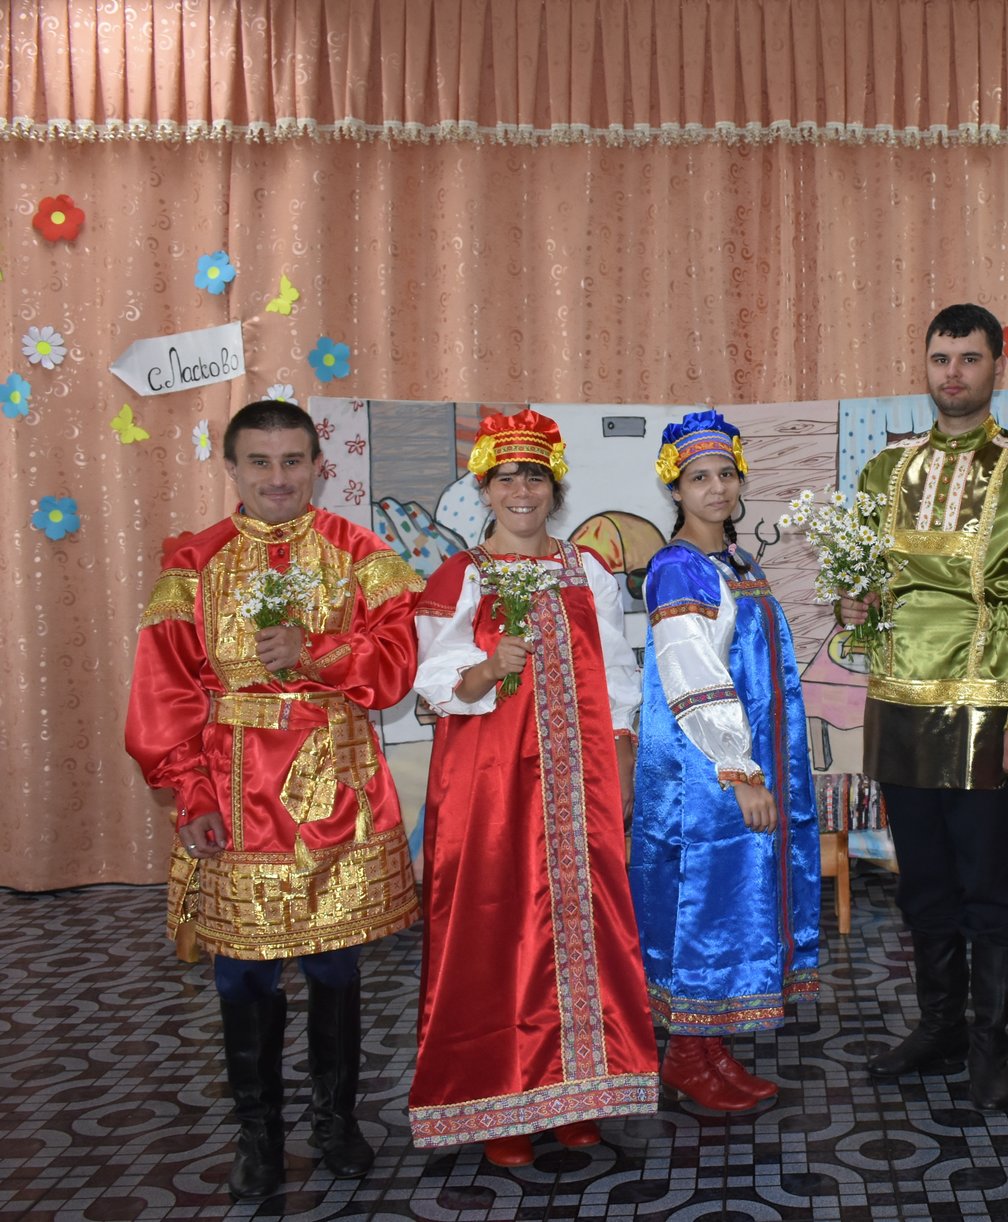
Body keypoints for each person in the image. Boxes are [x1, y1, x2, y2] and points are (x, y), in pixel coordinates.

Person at [126, 400, 425, 1200]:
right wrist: (190, 792)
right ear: (232, 468)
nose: (278, 477)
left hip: (337, 789)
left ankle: (335, 1120)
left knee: (335, 965)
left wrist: (316, 652)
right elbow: (163, 692)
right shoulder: (194, 563)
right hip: (234, 790)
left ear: (319, 467)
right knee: (242, 975)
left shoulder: (362, 555)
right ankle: (257, 1135)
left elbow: (396, 664)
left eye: (293, 460)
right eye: (259, 461)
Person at [841, 303, 1008, 1110]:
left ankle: (989, 1048)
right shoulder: (884, 470)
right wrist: (853, 606)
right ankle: (939, 1026)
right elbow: (863, 587)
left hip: (988, 712)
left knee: (990, 888)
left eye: (969, 359)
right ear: (926, 365)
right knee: (923, 884)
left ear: (996, 368)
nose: (953, 373)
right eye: (941, 358)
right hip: (899, 706)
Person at [408, 409, 659, 1164]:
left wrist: (622, 760)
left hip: (579, 784)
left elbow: (617, 675)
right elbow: (434, 683)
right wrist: (486, 668)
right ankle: (501, 1101)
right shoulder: (461, 576)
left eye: (536, 477)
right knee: (493, 928)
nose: (522, 490)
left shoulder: (588, 571)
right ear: (486, 489)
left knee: (585, 929)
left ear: (555, 487)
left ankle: (579, 1091)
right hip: (488, 790)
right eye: (507, 477)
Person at [632, 409, 820, 1113]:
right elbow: (694, 677)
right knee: (702, 906)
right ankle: (687, 1055)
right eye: (698, 478)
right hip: (704, 773)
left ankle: (709, 1048)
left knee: (730, 903)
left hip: (745, 765)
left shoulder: (737, 562)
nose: (716, 488)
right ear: (675, 490)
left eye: (726, 474)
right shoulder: (678, 568)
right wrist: (739, 771)